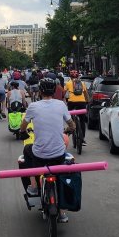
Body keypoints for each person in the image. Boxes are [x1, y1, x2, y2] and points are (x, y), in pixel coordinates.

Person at [19, 77, 76, 223]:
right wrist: (68, 129)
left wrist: (23, 132)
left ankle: (33, 186)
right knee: (61, 178)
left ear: (40, 91)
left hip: (40, 156)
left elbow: (23, 126)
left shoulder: (33, 106)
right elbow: (72, 124)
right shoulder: (61, 105)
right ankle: (63, 213)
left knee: (27, 150)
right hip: (58, 154)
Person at [64, 69, 87, 145]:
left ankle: (71, 129)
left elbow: (63, 93)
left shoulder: (68, 83)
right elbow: (85, 93)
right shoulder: (82, 83)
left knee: (70, 119)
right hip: (82, 102)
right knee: (82, 121)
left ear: (70, 76)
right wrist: (87, 101)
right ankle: (82, 138)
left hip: (71, 103)